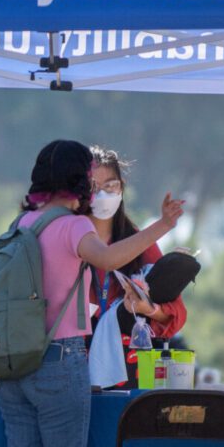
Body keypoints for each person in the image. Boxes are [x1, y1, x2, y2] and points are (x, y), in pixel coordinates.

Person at [0, 139, 184, 447]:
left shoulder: (23, 224)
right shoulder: (74, 225)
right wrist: (163, 224)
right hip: (62, 361)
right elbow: (108, 259)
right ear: (77, 181)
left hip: (15, 363)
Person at [85, 147, 189, 387]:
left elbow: (176, 315)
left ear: (121, 188)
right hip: (77, 368)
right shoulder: (69, 239)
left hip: (129, 371)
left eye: (110, 186)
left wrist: (148, 308)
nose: (102, 195)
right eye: (92, 187)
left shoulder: (140, 243)